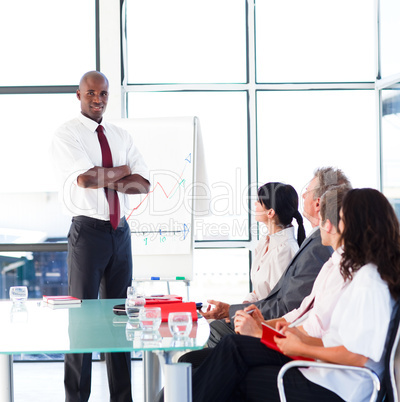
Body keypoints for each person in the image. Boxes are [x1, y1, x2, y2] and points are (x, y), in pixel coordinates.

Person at [188, 188, 400, 401]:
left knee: (237, 374)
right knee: (233, 366)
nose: (338, 226)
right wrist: (296, 338)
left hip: (337, 388)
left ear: (358, 226)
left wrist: (301, 345)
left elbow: (358, 356)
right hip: (324, 374)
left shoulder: (369, 281)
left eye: (342, 219)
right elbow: (336, 339)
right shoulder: (363, 273)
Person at [52, 71, 150, 402]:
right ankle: (76, 399)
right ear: (78, 95)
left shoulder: (120, 135)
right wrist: (123, 171)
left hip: (119, 232)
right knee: (80, 320)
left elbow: (144, 185)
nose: (98, 99)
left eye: (104, 94)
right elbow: (84, 180)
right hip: (88, 233)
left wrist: (107, 175)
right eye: (91, 93)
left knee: (122, 318)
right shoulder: (68, 134)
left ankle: (122, 398)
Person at [204, 167, 351, 347]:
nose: (303, 195)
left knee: (219, 340)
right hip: (278, 325)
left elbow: (289, 307)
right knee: (216, 338)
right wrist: (246, 314)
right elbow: (296, 309)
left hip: (284, 333)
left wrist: (246, 319)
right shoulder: (311, 244)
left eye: (307, 191)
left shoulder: (315, 247)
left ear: (318, 203)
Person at [242, 182, 305, 304]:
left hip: (267, 319)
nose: (255, 204)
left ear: (270, 213)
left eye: (259, 202)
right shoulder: (265, 242)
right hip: (256, 312)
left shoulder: (285, 250)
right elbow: (259, 292)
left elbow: (278, 303)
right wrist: (240, 308)